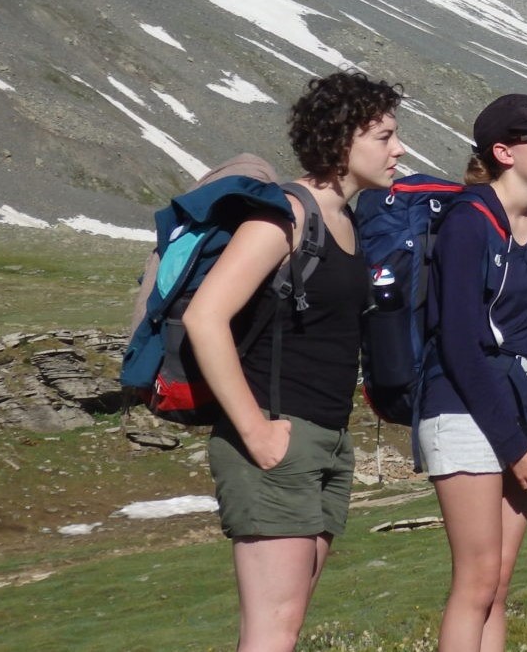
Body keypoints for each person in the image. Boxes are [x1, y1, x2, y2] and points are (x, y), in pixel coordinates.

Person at [183, 70, 405, 652]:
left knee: (286, 623)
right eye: (384, 136)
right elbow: (205, 318)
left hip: (325, 440)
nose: (398, 149)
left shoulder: (348, 222)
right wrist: (256, 431)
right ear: (341, 140)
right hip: (276, 435)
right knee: (272, 629)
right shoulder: (283, 215)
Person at [418, 93, 527, 652]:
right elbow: (460, 345)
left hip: (523, 415)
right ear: (503, 151)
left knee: (499, 585)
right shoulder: (468, 223)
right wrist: (516, 446)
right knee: (477, 579)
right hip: (462, 408)